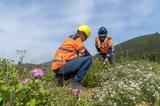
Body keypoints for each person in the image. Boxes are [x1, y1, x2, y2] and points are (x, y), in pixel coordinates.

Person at [51, 25, 92, 89]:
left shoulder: (71, 38)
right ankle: (75, 83)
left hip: (57, 67)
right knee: (89, 59)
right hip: (62, 66)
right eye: (86, 37)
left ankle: (59, 78)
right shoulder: (77, 39)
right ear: (82, 34)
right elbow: (85, 53)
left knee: (79, 64)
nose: (85, 40)